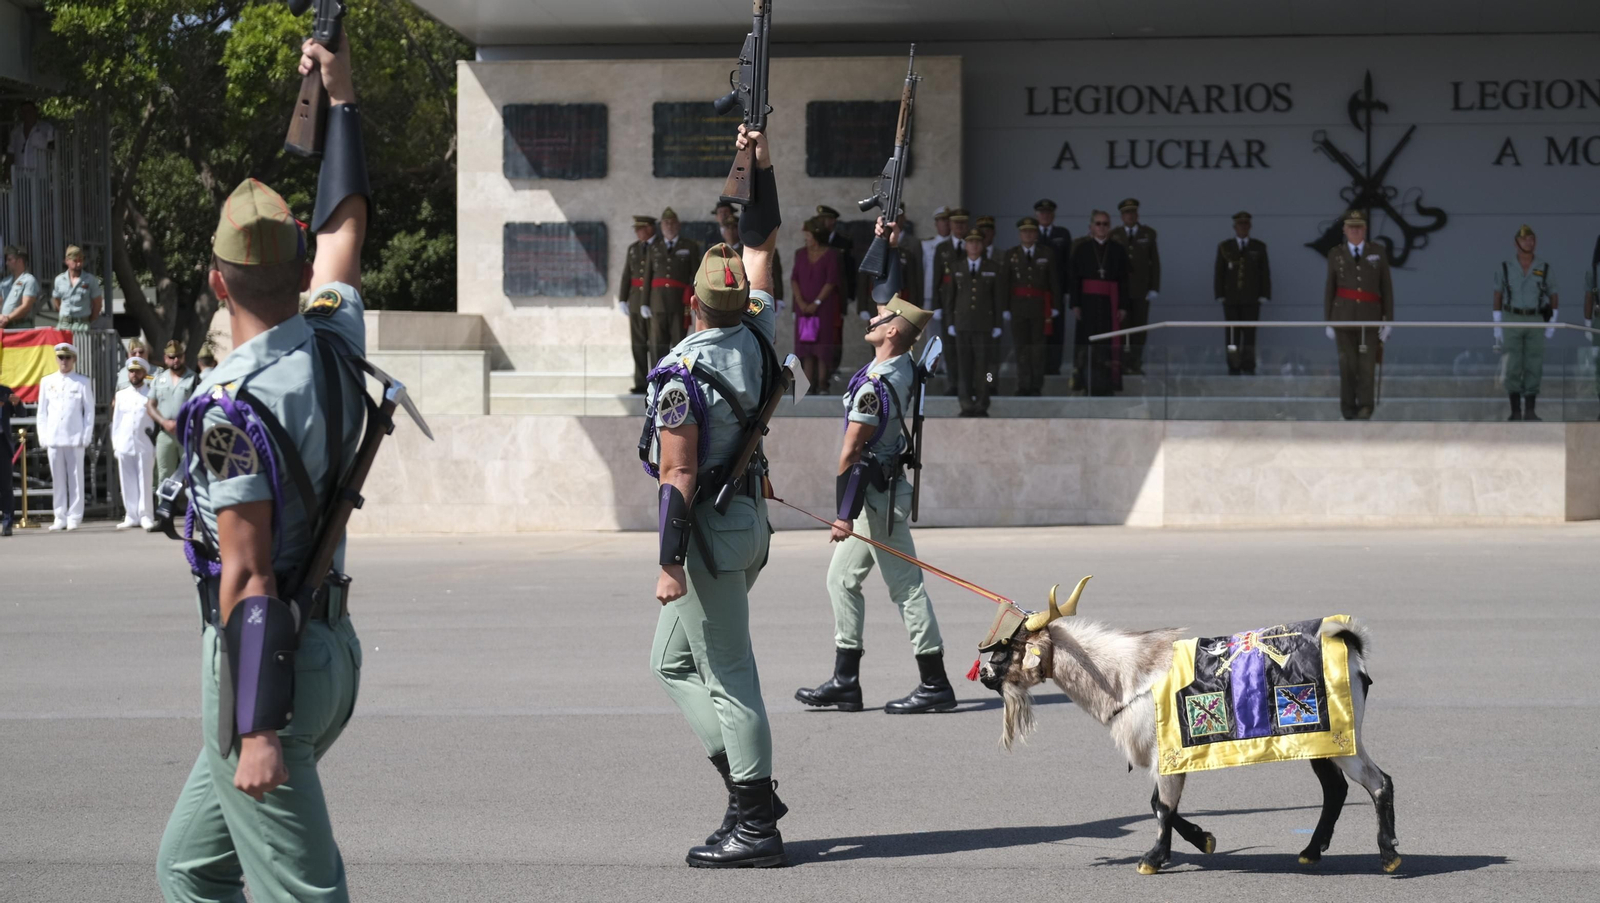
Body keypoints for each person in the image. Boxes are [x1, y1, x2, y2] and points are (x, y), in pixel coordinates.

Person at [155, 33, 370, 902]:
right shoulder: (335, 333)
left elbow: (244, 573)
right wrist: (341, 98)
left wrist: (257, 726)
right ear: (297, 267)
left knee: (303, 892)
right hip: (327, 644)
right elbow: (347, 223)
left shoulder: (225, 407)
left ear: (216, 281)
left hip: (262, 668)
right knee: (189, 870)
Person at [643, 122, 786, 869]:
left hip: (706, 538)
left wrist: (668, 563)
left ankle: (757, 821)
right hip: (751, 525)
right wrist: (759, 167)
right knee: (670, 662)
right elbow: (761, 244)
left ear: (693, 306)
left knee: (730, 676)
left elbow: (677, 475)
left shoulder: (681, 373)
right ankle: (746, 786)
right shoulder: (764, 333)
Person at [796, 280, 955, 715]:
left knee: (907, 589)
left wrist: (841, 514)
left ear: (892, 333)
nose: (872, 317)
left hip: (876, 501)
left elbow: (850, 453)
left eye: (881, 318)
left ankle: (935, 683)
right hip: (876, 496)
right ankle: (846, 682)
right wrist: (883, 236)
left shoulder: (876, 386)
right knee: (841, 580)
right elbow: (883, 294)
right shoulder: (903, 366)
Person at [1322, 210, 1394, 421]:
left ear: (1365, 229)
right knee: (1347, 366)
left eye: (1359, 227)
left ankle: (1365, 407)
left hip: (1370, 318)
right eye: (1351, 227)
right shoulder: (1335, 254)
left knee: (1367, 367)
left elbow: (1386, 289)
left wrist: (1388, 320)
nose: (1355, 230)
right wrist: (1328, 321)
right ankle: (1347, 408)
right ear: (1344, 230)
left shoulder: (1378, 252)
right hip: (1343, 318)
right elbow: (1330, 288)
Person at [1493, 225, 1559, 421]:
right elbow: (1498, 295)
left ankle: (1530, 410)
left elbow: (1553, 294)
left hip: (1535, 319)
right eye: (1524, 239)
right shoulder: (1505, 267)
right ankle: (1515, 410)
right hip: (1512, 317)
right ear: (1516, 243)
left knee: (1534, 363)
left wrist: (1552, 321)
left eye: (1531, 239)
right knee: (1512, 364)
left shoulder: (1544, 267)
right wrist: (1497, 325)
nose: (1528, 242)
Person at [1068, 210, 1131, 396]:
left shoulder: (1118, 250)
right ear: (1091, 227)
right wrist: (1075, 304)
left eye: (1105, 224)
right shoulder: (1081, 248)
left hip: (1109, 304)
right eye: (1098, 223)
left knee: (1107, 343)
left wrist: (1123, 305)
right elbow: (1074, 279)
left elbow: (1124, 281)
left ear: (1109, 227)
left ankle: (1107, 384)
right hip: (1087, 304)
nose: (1101, 227)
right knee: (1087, 344)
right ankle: (1086, 382)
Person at [941, 228, 1002, 416]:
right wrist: (950, 321)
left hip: (985, 324)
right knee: (964, 365)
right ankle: (966, 403)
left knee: (986, 367)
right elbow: (950, 297)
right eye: (970, 242)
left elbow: (997, 299)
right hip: (962, 323)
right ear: (965, 245)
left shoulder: (993, 267)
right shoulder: (956, 267)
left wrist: (998, 323)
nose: (974, 245)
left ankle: (983, 402)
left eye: (977, 242)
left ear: (983, 245)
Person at [999, 217, 1060, 396]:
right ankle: (1023, 384)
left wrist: (1055, 305)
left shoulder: (1046, 253)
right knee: (1021, 348)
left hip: (1039, 307)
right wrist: (1005, 308)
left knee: (1038, 348)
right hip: (1018, 308)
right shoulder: (1011, 254)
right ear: (1019, 234)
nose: (1028, 234)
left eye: (1031, 231)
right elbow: (1005, 283)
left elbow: (1054, 281)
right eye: (1024, 231)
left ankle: (1036, 385)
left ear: (1036, 234)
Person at [38, 342, 94, 530]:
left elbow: (89, 412)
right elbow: (42, 412)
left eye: (68, 358)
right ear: (56, 359)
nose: (64, 361)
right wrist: (43, 436)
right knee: (58, 479)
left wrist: (86, 436)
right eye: (61, 357)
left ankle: (74, 517)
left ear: (74, 360)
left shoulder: (82, 382)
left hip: (74, 437)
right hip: (54, 436)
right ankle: (59, 516)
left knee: (76, 479)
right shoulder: (47, 381)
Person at [1214, 211, 1272, 375]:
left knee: (1249, 335)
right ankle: (1233, 364)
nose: (1243, 227)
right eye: (1240, 224)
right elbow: (1219, 272)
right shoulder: (1225, 247)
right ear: (1234, 227)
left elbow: (1264, 272)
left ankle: (1248, 364)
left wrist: (1264, 294)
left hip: (1251, 298)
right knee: (1232, 336)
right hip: (1231, 298)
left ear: (1250, 226)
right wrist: (1219, 293)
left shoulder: (1258, 247)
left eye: (1246, 224)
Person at [791, 217, 843, 393]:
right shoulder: (800, 253)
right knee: (805, 347)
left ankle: (822, 384)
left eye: (808, 233)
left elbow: (831, 281)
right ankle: (806, 386)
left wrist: (816, 302)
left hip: (823, 309)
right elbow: (794, 279)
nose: (806, 237)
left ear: (816, 234)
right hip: (803, 309)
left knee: (822, 347)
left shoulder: (831, 255)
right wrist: (800, 302)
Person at [1109, 198, 1160, 375]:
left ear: (1137, 214)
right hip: (1121, 290)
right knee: (1123, 327)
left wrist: (1154, 287)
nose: (1130, 216)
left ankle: (1136, 362)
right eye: (1126, 213)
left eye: (1132, 212)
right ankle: (1122, 363)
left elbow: (1155, 262)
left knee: (1139, 327)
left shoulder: (1148, 234)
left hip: (1141, 289)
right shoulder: (1114, 235)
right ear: (1122, 216)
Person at [147, 340, 199, 498]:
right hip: (165, 433)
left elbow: (198, 405)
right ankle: (165, 512)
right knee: (164, 474)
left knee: (191, 473)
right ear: (165, 358)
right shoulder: (159, 379)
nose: (175, 360)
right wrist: (163, 422)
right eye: (172, 357)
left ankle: (194, 513)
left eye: (178, 356)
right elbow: (150, 405)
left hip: (186, 433)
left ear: (183, 357)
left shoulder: (193, 378)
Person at [649, 208, 699, 362]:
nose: (669, 226)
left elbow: (696, 275)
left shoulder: (690, 246)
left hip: (679, 303)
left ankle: (678, 377)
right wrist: (645, 303)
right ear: (661, 226)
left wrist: (697, 300)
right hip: (657, 303)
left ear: (678, 226)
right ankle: (658, 377)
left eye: (672, 223)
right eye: (666, 223)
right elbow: (647, 277)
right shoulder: (654, 247)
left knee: (679, 343)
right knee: (658, 344)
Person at [112, 357, 155, 530]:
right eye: (131, 371)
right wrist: (116, 445)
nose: (134, 374)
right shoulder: (121, 395)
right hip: (124, 442)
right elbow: (116, 422)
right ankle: (131, 514)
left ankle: (146, 515)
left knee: (145, 480)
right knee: (127, 480)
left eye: (137, 371)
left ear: (144, 373)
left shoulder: (152, 393)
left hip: (145, 443)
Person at [932, 209, 970, 393]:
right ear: (951, 225)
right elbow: (936, 279)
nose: (959, 227)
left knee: (968, 348)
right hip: (948, 303)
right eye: (956, 223)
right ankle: (953, 383)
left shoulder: (974, 244)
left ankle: (969, 383)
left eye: (963, 223)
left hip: (968, 304)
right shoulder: (942, 248)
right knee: (949, 347)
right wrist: (936, 305)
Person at [618, 214, 657, 394]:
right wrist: (622, 299)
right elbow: (627, 275)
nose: (637, 232)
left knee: (657, 344)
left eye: (640, 229)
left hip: (654, 302)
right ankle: (641, 382)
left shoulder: (659, 246)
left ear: (649, 228)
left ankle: (658, 380)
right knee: (638, 344)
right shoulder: (633, 249)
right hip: (635, 301)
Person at [1035, 199, 1073, 377]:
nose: (1045, 215)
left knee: (1057, 330)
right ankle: (1037, 367)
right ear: (1037, 215)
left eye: (1048, 212)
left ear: (1053, 214)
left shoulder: (1062, 233)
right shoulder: (1031, 232)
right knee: (1036, 330)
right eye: (1042, 213)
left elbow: (1068, 265)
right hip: (1035, 292)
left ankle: (1053, 366)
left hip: (1056, 291)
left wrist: (1066, 291)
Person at [857, 216, 921, 310]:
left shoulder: (904, 253)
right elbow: (864, 282)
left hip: (899, 304)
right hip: (875, 302)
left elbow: (912, 283)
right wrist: (862, 307)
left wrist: (914, 305)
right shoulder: (871, 252)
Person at [52, 245, 105, 333]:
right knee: (63, 347)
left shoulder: (90, 280)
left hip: (82, 325)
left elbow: (97, 304)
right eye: (75, 261)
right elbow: (57, 301)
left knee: (82, 347)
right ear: (67, 261)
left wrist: (88, 320)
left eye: (81, 260)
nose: (79, 264)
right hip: (64, 325)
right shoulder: (59, 280)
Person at [6, 101, 56, 176]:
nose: (27, 114)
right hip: (20, 175)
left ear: (35, 111)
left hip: (39, 174)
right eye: (24, 112)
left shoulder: (46, 128)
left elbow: (53, 150)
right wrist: (7, 171)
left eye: (29, 111)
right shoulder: (15, 132)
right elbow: (11, 152)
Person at [0, 246, 40, 329]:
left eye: (10, 260)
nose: (7, 263)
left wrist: (7, 318)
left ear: (19, 261)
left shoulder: (29, 280)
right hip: (4, 326)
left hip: (21, 326)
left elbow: (26, 306)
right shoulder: (5, 282)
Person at [921, 206, 951, 302]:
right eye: (942, 220)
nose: (946, 223)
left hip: (950, 292)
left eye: (948, 220)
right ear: (936, 224)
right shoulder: (925, 245)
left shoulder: (958, 245)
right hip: (929, 293)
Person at [1, 382, 17, 536]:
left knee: (5, 485)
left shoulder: (6, 391)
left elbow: (21, 413)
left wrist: (17, 403)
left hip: (2, 444)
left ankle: (7, 523)